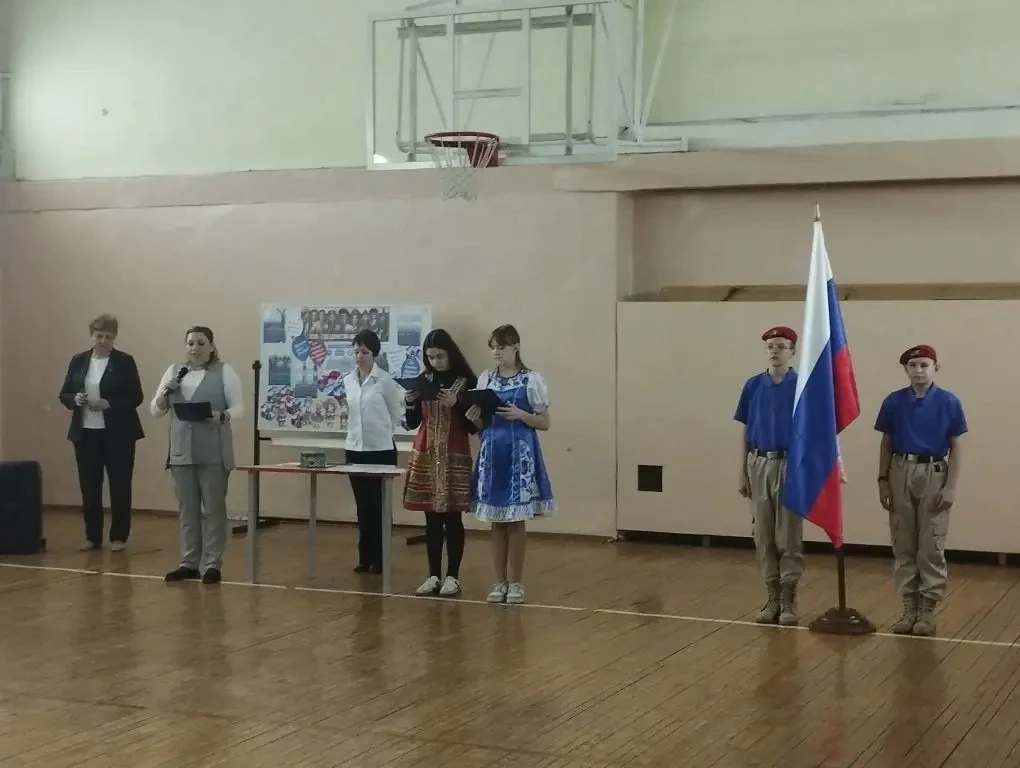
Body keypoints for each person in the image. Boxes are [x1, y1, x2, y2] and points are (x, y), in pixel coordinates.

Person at [875, 344, 967, 637]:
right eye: (913, 366)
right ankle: (908, 609)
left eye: (924, 365)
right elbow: (887, 442)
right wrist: (883, 479)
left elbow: (955, 446)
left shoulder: (948, 402)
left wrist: (951, 486)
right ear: (906, 369)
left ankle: (927, 611)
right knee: (903, 541)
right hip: (901, 469)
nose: (919, 371)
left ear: (935, 367)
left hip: (934, 472)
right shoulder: (894, 402)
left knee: (930, 543)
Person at [466, 324, 554, 605]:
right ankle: (499, 580)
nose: (496, 352)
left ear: (515, 346)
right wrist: (474, 418)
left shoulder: (531, 379)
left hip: (520, 455)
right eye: (493, 347)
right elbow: (482, 424)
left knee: (515, 521)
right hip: (493, 453)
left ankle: (516, 581)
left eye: (501, 347)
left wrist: (521, 414)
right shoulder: (486, 379)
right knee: (497, 522)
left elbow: (545, 422)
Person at [151, 326, 243, 585]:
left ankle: (213, 563)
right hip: (182, 453)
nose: (195, 348)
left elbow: (239, 408)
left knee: (213, 509)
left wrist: (222, 415)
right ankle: (189, 563)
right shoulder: (174, 372)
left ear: (211, 346)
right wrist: (165, 393)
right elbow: (156, 410)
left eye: (201, 343)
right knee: (187, 511)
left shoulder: (224, 372)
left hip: (213, 452)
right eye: (191, 343)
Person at [57, 314, 145, 552]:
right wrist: (74, 399)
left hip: (119, 434)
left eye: (108, 336)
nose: (103, 341)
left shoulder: (124, 362)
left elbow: (136, 396)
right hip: (86, 433)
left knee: (119, 484)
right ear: (91, 336)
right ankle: (92, 536)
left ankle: (119, 537)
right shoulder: (79, 360)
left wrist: (108, 403)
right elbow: (64, 394)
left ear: (114, 337)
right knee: (89, 486)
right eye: (99, 336)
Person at [734, 326, 803, 626]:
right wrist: (742, 470)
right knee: (763, 534)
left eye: (781, 346)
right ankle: (771, 595)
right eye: (770, 346)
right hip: (759, 462)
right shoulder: (753, 385)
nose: (775, 351)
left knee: (788, 534)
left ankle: (788, 598)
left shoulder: (801, 385)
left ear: (792, 351)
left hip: (790, 464)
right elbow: (746, 430)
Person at [402, 329, 478, 597]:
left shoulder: (467, 381)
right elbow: (413, 422)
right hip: (426, 452)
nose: (435, 362)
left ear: (450, 354)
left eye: (440, 356)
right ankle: (433, 575)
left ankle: (453, 576)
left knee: (453, 517)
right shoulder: (424, 381)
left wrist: (457, 403)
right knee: (431, 517)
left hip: (453, 453)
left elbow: (474, 426)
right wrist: (410, 404)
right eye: (431, 357)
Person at [344, 328, 403, 574]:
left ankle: (380, 558)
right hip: (354, 449)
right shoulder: (348, 380)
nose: (359, 356)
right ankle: (364, 557)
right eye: (356, 352)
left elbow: (396, 414)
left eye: (364, 352)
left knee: (378, 506)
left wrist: (380, 430)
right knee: (362, 506)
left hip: (380, 450)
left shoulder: (385, 381)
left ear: (374, 354)